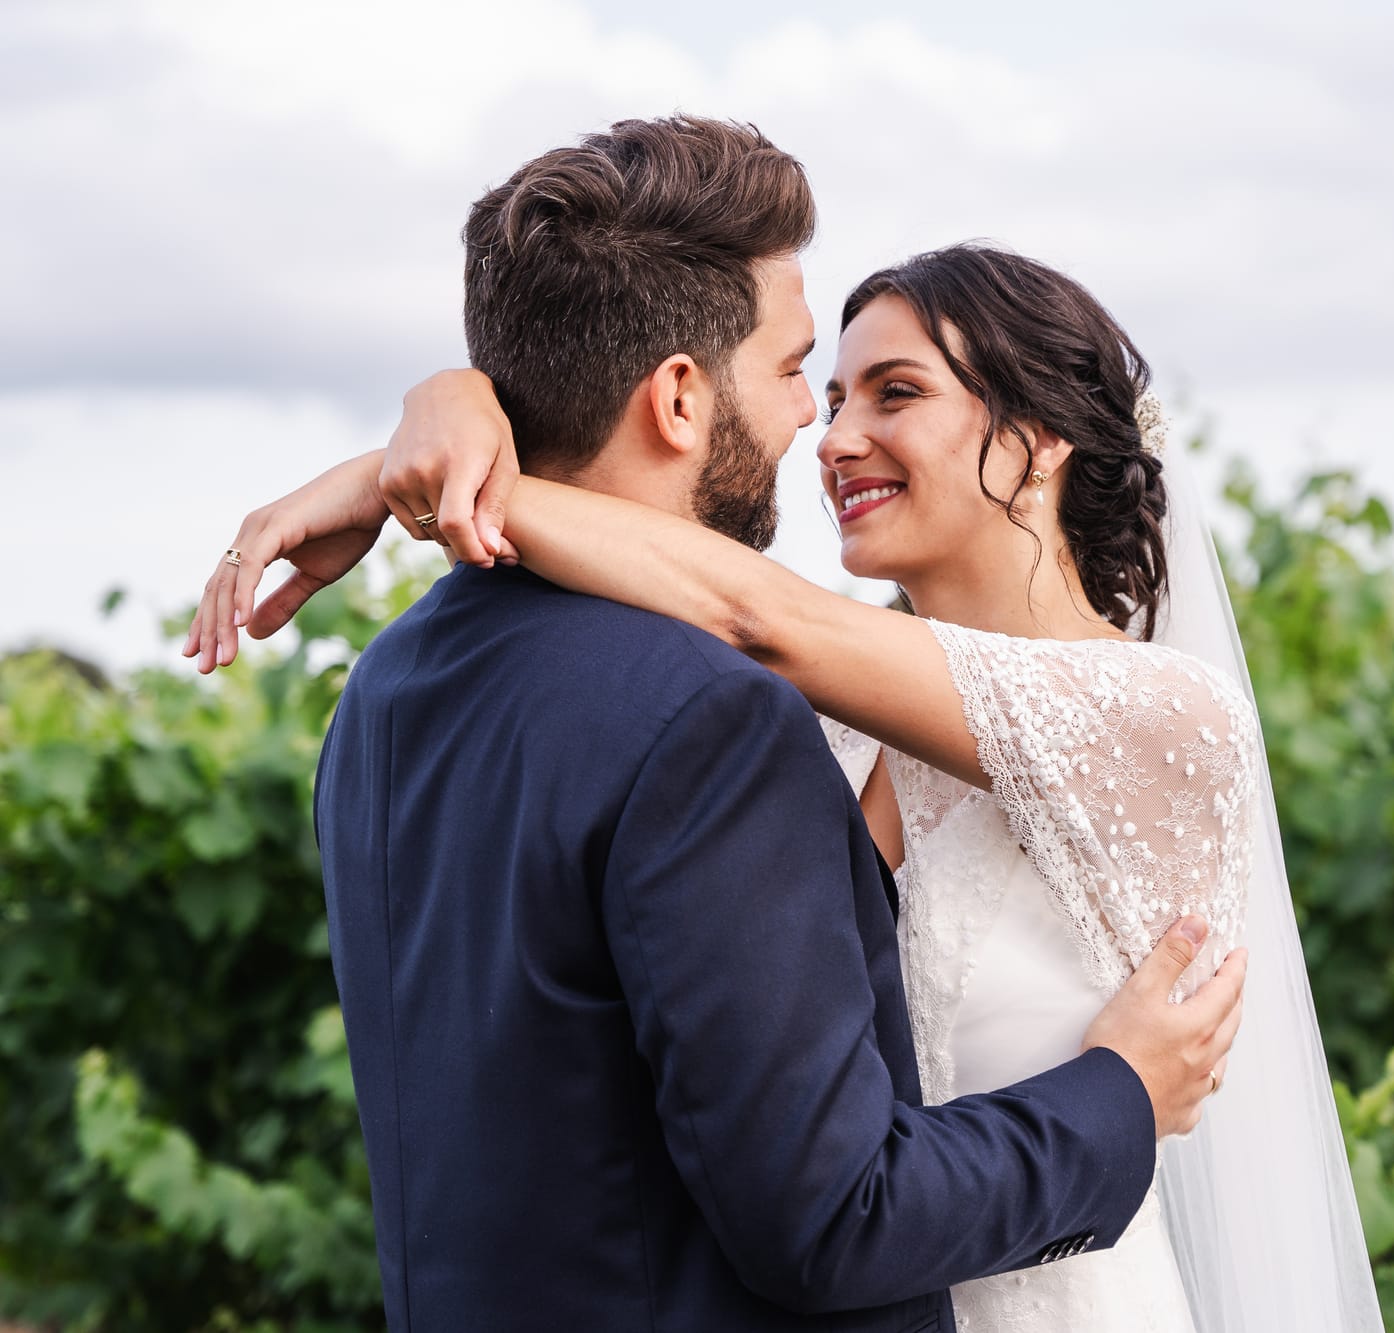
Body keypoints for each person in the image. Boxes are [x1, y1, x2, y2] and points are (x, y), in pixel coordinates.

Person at [188, 117, 1251, 1333]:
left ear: (1044, 438)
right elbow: (828, 1204)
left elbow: (751, 613)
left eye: (890, 392)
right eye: (811, 374)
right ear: (681, 395)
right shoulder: (754, 722)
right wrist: (1116, 1095)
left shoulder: (389, 687)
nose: (824, 429)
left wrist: (429, 457)